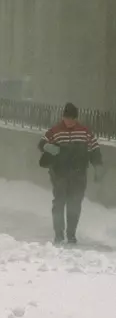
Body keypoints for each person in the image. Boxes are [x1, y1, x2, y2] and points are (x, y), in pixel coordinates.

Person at [37, 102, 103, 245]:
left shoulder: (85, 132)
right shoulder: (55, 131)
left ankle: (71, 235)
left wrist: (97, 167)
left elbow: (94, 149)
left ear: (76, 118)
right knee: (59, 202)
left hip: (79, 174)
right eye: (67, 118)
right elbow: (41, 143)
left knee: (75, 204)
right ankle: (59, 235)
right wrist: (48, 147)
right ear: (63, 117)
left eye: (72, 119)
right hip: (59, 173)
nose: (69, 121)